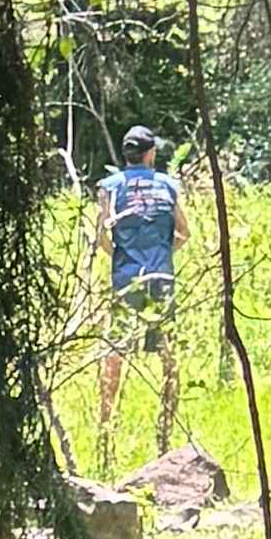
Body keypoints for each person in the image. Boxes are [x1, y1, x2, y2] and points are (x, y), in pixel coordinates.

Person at [88, 122, 187, 471]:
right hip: (161, 277)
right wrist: (164, 251)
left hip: (125, 279)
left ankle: (105, 425)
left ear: (127, 154)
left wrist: (117, 256)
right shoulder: (168, 186)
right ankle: (166, 430)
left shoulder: (110, 187)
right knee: (168, 355)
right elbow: (183, 233)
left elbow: (101, 233)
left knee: (114, 353)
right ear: (151, 153)